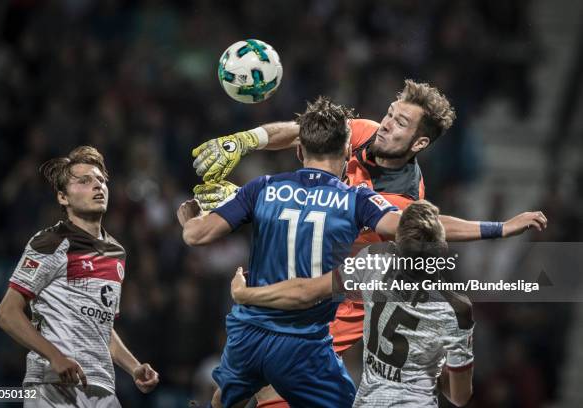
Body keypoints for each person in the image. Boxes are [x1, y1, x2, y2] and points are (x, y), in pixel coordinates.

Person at [191, 80, 546, 407]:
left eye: (401, 123)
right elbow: (307, 132)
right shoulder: (363, 133)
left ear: (419, 143)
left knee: (273, 381)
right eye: (391, 114)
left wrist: (498, 228)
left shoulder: (402, 196)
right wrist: (246, 140)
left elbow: (432, 224)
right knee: (234, 389)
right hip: (305, 263)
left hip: (343, 293)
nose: (387, 124)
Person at [178, 96, 405, 408]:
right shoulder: (355, 199)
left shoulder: (261, 188)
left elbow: (197, 235)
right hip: (305, 341)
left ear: (299, 150)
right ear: (347, 150)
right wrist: (491, 228)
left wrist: (193, 217)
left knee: (225, 399)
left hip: (248, 334)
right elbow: (407, 226)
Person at [232, 200, 474, 407]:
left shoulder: (374, 258)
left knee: (267, 388)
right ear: (441, 248)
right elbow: (460, 397)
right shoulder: (456, 308)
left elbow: (307, 290)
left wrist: (247, 294)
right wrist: (433, 369)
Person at [0, 146, 159, 407]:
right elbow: (7, 313)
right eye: (84, 181)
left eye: (101, 180)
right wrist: (55, 357)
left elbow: (102, 327)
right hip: (52, 386)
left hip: (102, 386)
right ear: (63, 197)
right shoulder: (51, 241)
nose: (97, 186)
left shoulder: (116, 252)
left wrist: (134, 367)